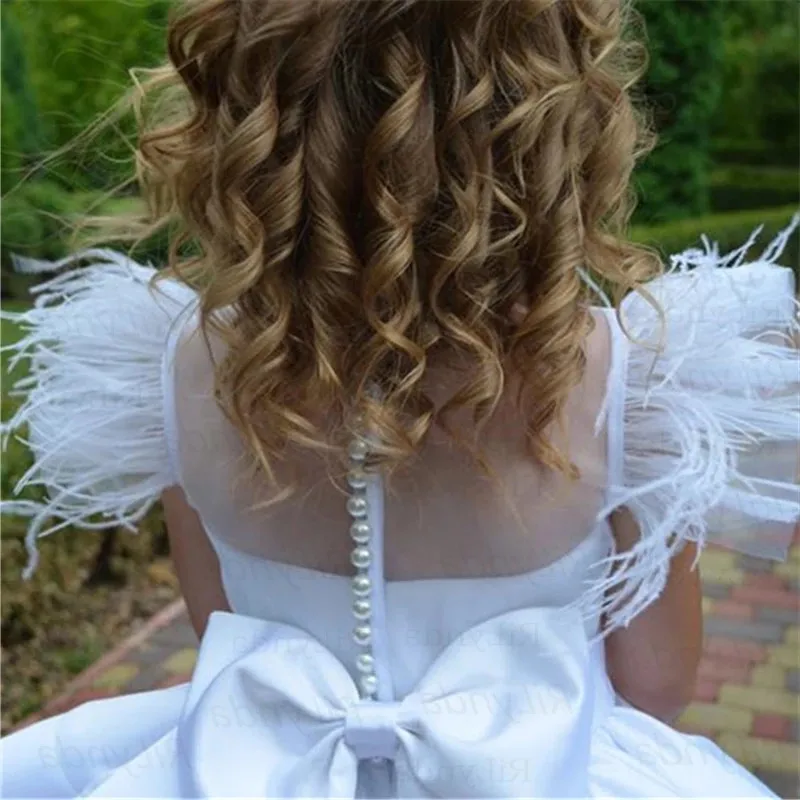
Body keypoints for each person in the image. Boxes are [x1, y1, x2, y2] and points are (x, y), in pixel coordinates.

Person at [1, 1, 798, 797]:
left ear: (245, 112)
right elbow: (655, 684)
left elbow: (222, 628)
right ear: (556, 117)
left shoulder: (178, 367)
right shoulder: (633, 383)